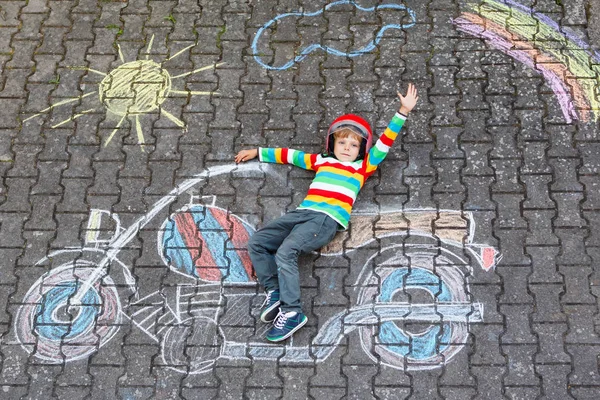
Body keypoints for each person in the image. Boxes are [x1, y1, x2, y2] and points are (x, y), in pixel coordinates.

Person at [234, 83, 418, 342]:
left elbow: (385, 143)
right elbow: (292, 156)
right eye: (342, 142)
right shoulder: (322, 161)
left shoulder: (363, 167)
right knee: (258, 242)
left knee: (287, 252)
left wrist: (402, 112)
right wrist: (258, 152)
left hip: (326, 220)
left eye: (353, 145)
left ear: (361, 150)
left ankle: (292, 312)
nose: (346, 148)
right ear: (332, 143)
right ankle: (275, 292)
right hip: (302, 214)